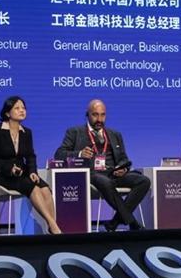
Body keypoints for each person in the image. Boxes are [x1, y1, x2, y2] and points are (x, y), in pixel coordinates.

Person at [54, 99, 149, 231]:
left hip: (113, 174)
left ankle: (114, 223)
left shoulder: (115, 134)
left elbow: (123, 158)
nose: (99, 119)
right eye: (95, 115)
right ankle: (132, 222)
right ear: (87, 115)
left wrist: (123, 168)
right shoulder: (75, 132)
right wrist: (80, 153)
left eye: (102, 115)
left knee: (144, 181)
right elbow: (59, 154)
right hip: (92, 174)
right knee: (105, 182)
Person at [0, 96, 62, 235]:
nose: (22, 111)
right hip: (3, 174)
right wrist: (10, 168)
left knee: (45, 189)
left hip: (22, 172)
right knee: (33, 188)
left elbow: (30, 156)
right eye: (17, 108)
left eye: (23, 108)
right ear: (7, 113)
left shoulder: (27, 132)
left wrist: (33, 171)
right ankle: (53, 226)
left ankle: (52, 227)